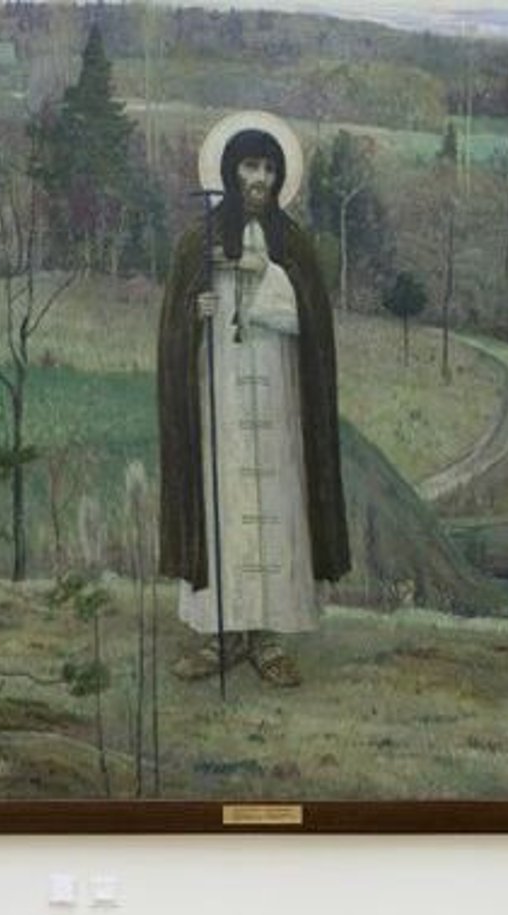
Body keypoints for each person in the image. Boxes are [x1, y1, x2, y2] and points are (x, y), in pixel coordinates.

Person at [155, 113, 349, 687]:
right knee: (224, 507)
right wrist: (195, 313)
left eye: (268, 168)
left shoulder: (294, 244)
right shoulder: (198, 242)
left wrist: (267, 273)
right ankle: (221, 635)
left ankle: (267, 638)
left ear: (280, 175)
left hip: (280, 398)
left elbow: (313, 323)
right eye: (249, 166)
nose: (260, 178)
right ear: (229, 171)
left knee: (279, 507)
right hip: (219, 403)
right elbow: (173, 329)